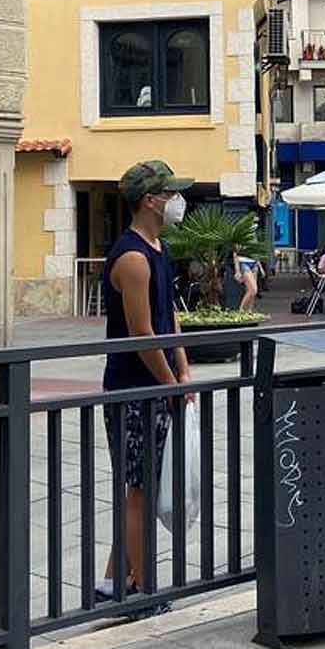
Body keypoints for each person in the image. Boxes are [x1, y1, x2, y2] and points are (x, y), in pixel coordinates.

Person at [102, 159, 194, 597]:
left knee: (143, 486)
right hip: (133, 389)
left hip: (157, 384)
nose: (177, 201)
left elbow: (168, 315)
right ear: (150, 201)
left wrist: (183, 366)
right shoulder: (133, 257)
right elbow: (141, 333)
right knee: (139, 488)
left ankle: (112, 580)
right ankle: (140, 587)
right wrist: (169, 382)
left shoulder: (159, 249)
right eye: (170, 193)